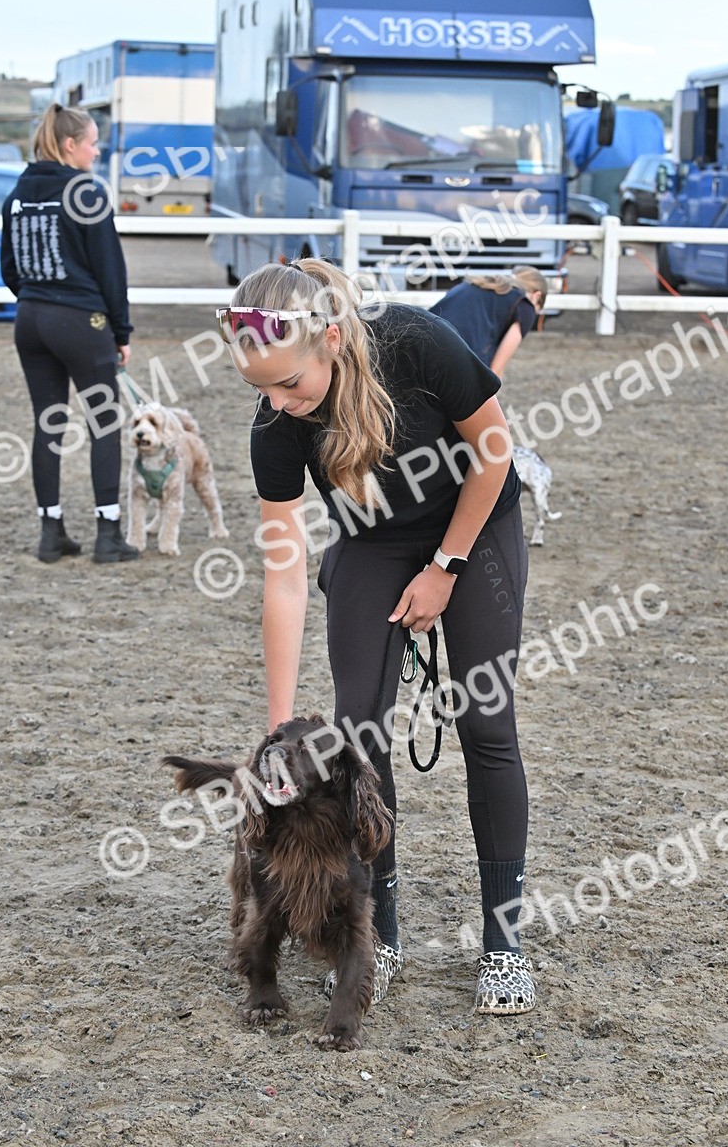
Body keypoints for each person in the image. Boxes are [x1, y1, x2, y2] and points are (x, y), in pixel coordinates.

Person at [217, 259, 536, 1015]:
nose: (278, 404)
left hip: (476, 527)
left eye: (290, 384)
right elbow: (285, 579)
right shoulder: (277, 426)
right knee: (356, 735)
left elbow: (495, 450)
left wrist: (445, 567)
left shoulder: (415, 345)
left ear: (330, 340)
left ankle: (503, 941)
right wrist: (279, 733)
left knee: (486, 724)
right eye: (261, 389)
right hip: (370, 540)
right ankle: (379, 933)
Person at [0, 103, 138, 564]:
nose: (98, 152)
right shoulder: (86, 192)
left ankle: (50, 530)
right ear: (69, 144)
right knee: (104, 423)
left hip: (31, 319)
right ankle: (108, 534)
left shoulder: (16, 194)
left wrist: (37, 298)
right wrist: (121, 330)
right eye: (93, 142)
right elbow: (110, 272)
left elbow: (10, 269)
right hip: (81, 321)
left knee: (48, 421)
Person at [429, 268, 547, 376]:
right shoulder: (525, 306)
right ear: (537, 296)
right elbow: (493, 373)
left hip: (422, 343)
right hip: (455, 360)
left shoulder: (474, 283)